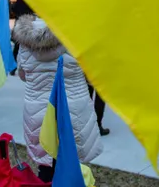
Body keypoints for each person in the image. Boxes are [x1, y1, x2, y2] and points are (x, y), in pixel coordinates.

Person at [12, 11, 103, 183]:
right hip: (73, 107)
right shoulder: (76, 34)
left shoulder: (25, 38)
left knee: (46, 164)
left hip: (37, 108)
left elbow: (23, 74)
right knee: (74, 163)